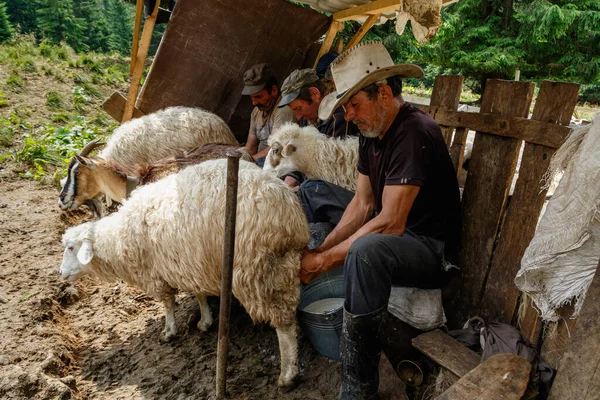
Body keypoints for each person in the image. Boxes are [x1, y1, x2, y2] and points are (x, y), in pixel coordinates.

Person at [300, 41, 461, 399]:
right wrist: (322, 248)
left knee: (366, 251)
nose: (348, 116)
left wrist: (326, 261)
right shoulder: (371, 136)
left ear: (384, 94)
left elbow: (391, 222)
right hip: (401, 239)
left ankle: (358, 387)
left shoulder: (415, 131)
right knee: (318, 201)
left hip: (431, 250)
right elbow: (361, 202)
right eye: (345, 107)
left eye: (354, 105)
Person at [278, 68, 359, 139]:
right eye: (294, 110)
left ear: (314, 94)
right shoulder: (306, 118)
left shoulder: (338, 117)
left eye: (299, 108)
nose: (298, 117)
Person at [241, 63, 294, 166]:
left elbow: (275, 148)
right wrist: (242, 160)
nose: (254, 103)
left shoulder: (283, 109)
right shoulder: (256, 112)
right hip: (258, 161)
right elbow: (250, 147)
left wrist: (250, 162)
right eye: (251, 98)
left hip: (277, 164)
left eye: (258, 97)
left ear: (273, 90)